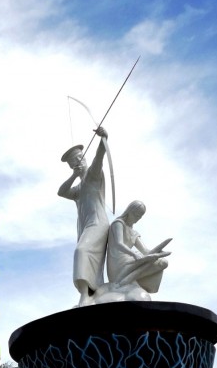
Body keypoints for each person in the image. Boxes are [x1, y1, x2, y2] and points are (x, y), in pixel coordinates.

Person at [58, 126, 110, 306]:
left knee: (81, 252)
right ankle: (95, 291)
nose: (76, 164)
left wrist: (103, 139)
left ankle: (85, 295)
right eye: (73, 163)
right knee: (90, 259)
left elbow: (99, 158)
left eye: (78, 159)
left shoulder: (93, 176)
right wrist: (73, 175)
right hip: (86, 226)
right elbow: (61, 192)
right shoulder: (78, 189)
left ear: (84, 157)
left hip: (98, 224)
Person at [99, 200, 171, 302]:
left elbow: (146, 251)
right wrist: (134, 254)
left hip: (131, 261)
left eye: (140, 216)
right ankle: (122, 281)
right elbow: (119, 244)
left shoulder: (134, 232)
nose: (137, 218)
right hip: (118, 263)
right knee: (146, 258)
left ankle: (125, 281)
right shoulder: (118, 223)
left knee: (163, 262)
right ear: (129, 211)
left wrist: (158, 251)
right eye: (136, 215)